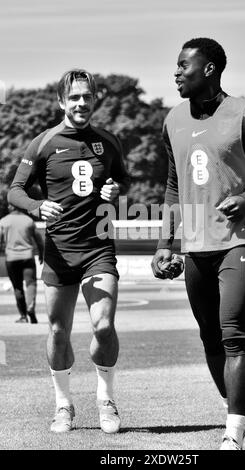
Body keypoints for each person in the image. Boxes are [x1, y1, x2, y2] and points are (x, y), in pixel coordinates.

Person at [151, 38, 245, 450]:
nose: (176, 72)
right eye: (176, 65)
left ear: (210, 69)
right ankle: (243, 414)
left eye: (184, 65)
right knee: (209, 337)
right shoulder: (172, 120)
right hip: (196, 244)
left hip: (242, 239)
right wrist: (166, 243)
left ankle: (232, 432)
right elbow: (173, 185)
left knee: (234, 334)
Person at [8, 69, 130, 434]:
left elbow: (123, 178)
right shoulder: (42, 143)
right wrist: (35, 206)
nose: (81, 103)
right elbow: (14, 190)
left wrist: (115, 189)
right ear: (62, 101)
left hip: (98, 249)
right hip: (59, 251)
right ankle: (63, 406)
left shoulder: (108, 141)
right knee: (59, 331)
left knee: (103, 325)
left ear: (95, 99)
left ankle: (105, 399)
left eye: (87, 96)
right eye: (74, 97)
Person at [0, 205, 44, 323]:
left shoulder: (3, 221)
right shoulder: (28, 220)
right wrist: (41, 253)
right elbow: (39, 239)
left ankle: (23, 316)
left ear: (9, 207)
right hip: (27, 257)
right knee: (31, 283)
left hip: (11, 258)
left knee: (17, 287)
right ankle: (30, 308)